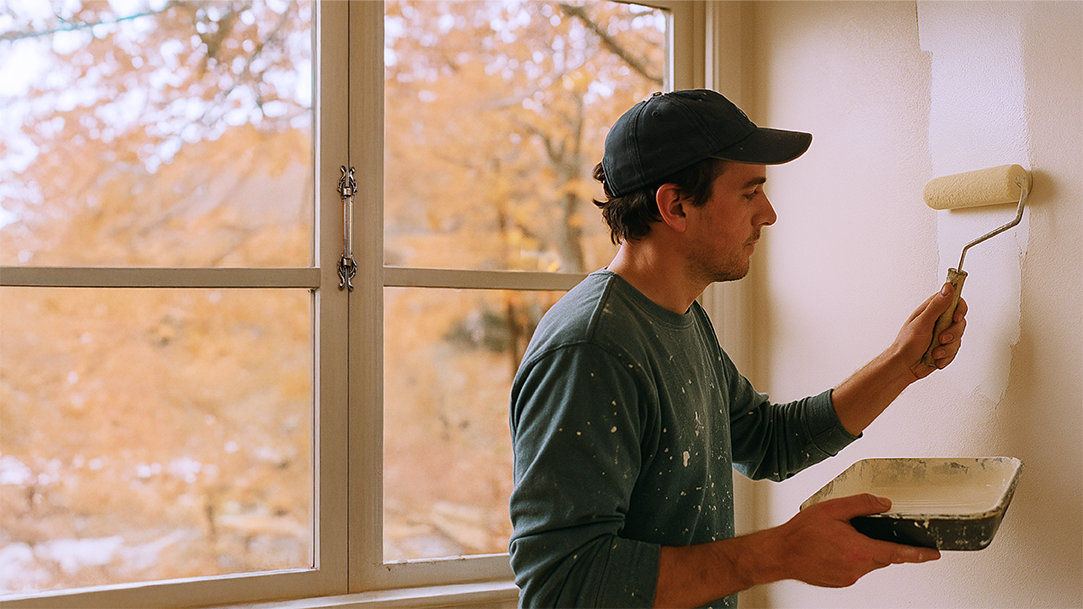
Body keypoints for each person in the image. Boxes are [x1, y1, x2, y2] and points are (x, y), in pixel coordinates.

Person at [507, 89, 967, 608]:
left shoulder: (679, 315)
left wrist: (904, 363)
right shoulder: (591, 350)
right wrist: (781, 553)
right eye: (750, 193)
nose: (768, 214)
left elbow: (768, 441)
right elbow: (562, 585)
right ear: (675, 205)